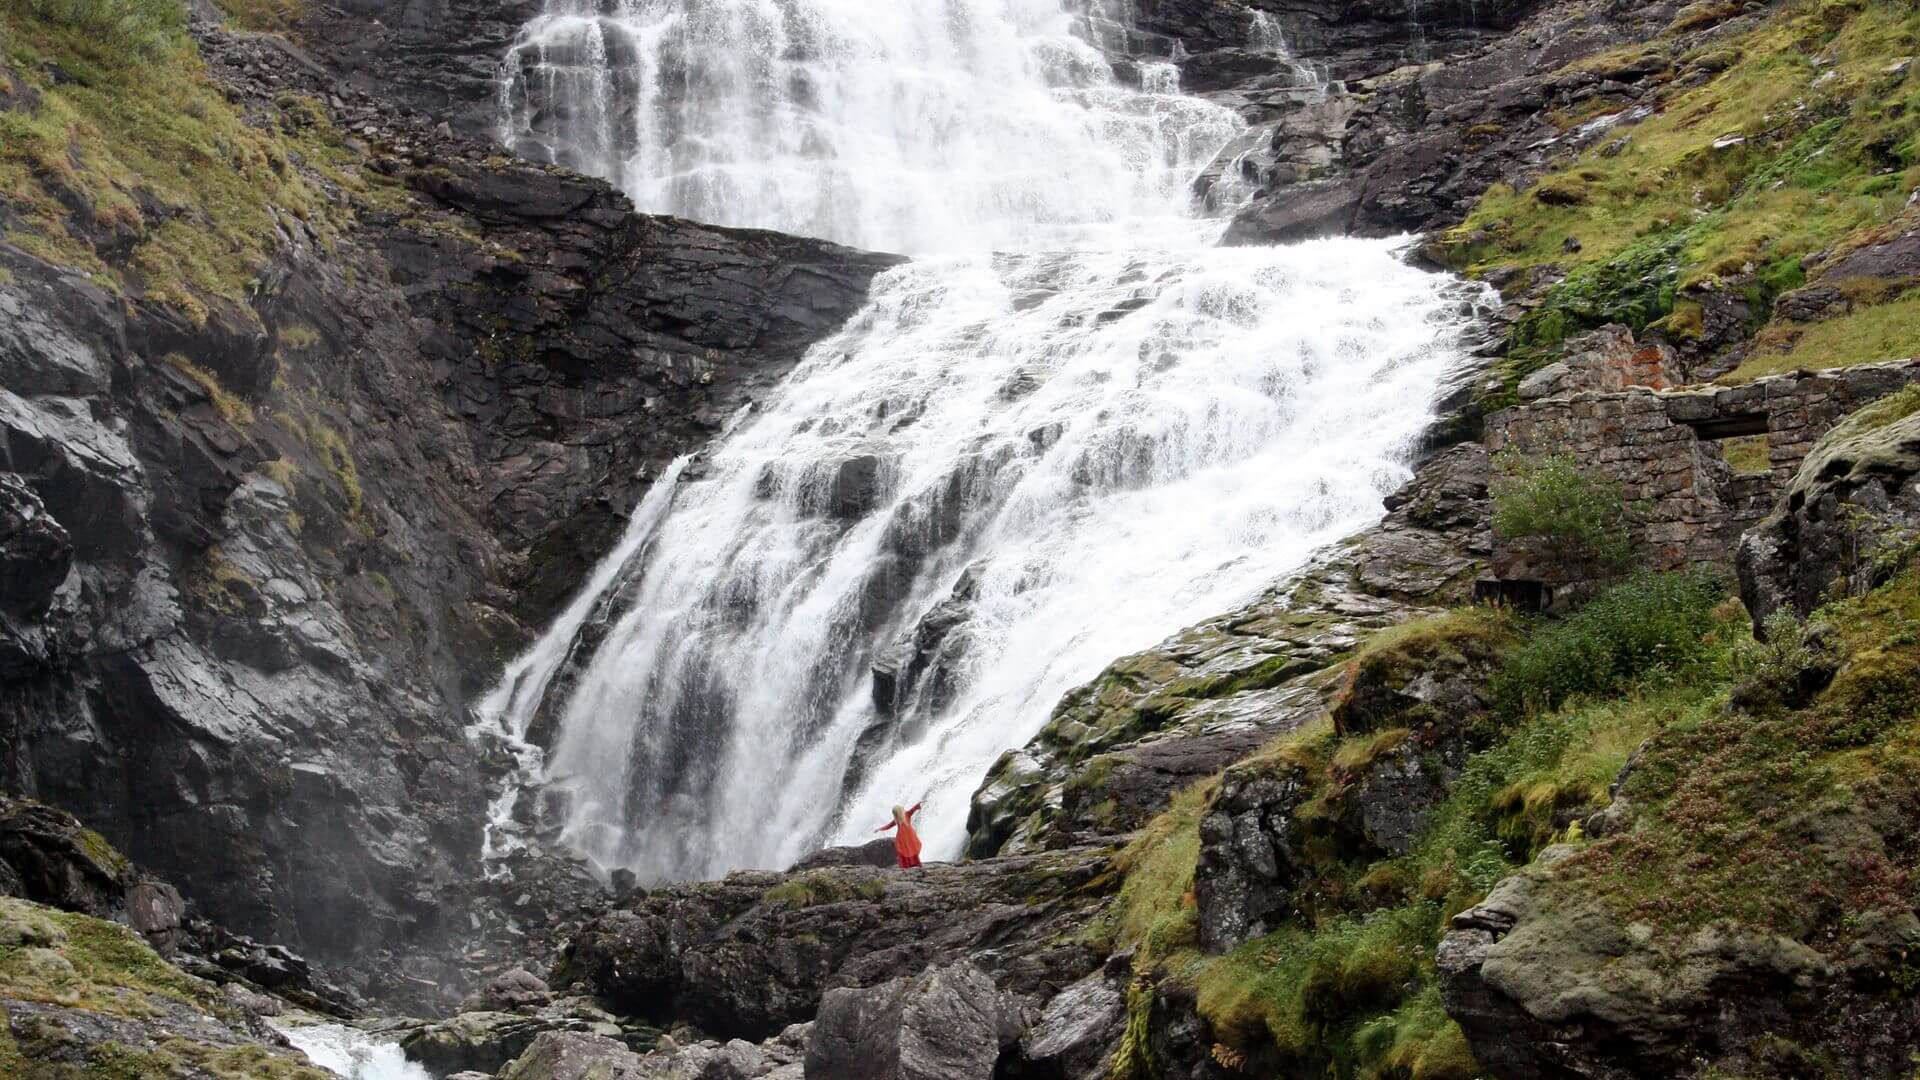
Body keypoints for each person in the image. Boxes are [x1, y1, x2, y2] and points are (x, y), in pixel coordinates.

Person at [875, 802, 923, 868]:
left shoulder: (900, 817)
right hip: (908, 836)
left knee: (906, 850)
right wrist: (918, 805)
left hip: (904, 837)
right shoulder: (902, 817)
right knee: (911, 849)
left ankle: (907, 864)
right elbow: (913, 809)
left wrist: (880, 829)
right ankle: (914, 863)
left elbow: (888, 826)